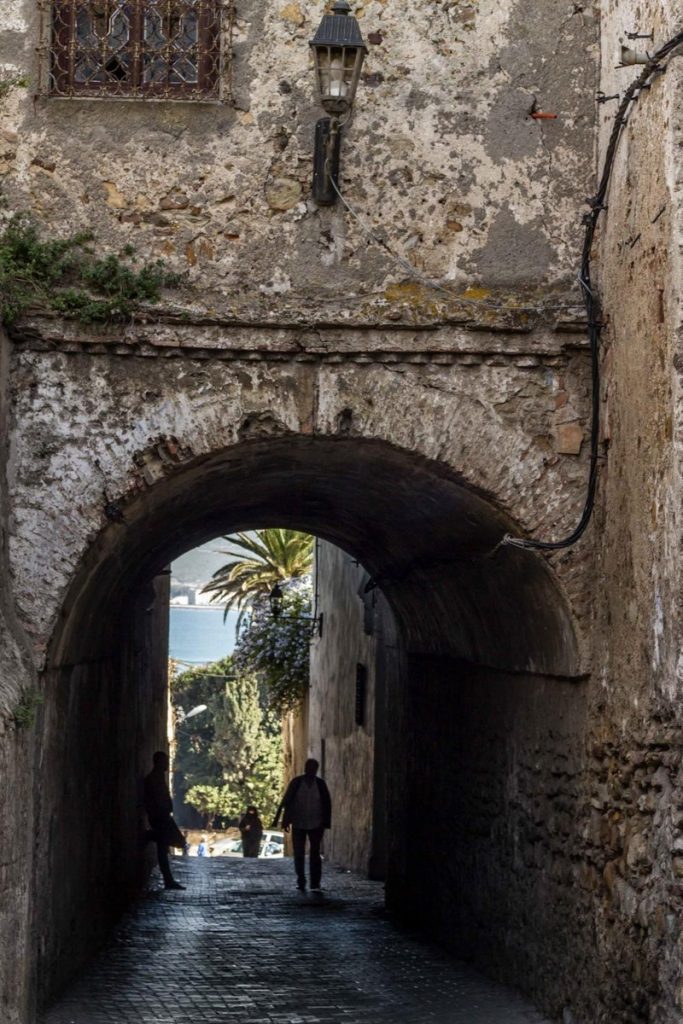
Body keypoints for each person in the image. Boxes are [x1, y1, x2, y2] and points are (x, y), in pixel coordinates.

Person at [273, 758, 331, 892]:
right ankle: (301, 880)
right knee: (298, 853)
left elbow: (327, 804)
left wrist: (326, 822)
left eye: (312, 767)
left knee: (315, 853)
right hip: (298, 822)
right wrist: (286, 820)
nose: (310, 770)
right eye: (308, 767)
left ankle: (315, 882)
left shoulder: (320, 785)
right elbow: (287, 801)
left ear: (316, 769)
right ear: (305, 768)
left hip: (316, 823)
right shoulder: (296, 782)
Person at [143, 751, 186, 890]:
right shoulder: (153, 779)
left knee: (175, 842)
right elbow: (152, 801)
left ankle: (149, 835)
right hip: (160, 818)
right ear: (159, 762)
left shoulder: (159, 777)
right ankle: (168, 880)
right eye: (165, 761)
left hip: (164, 817)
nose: (167, 764)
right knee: (163, 849)